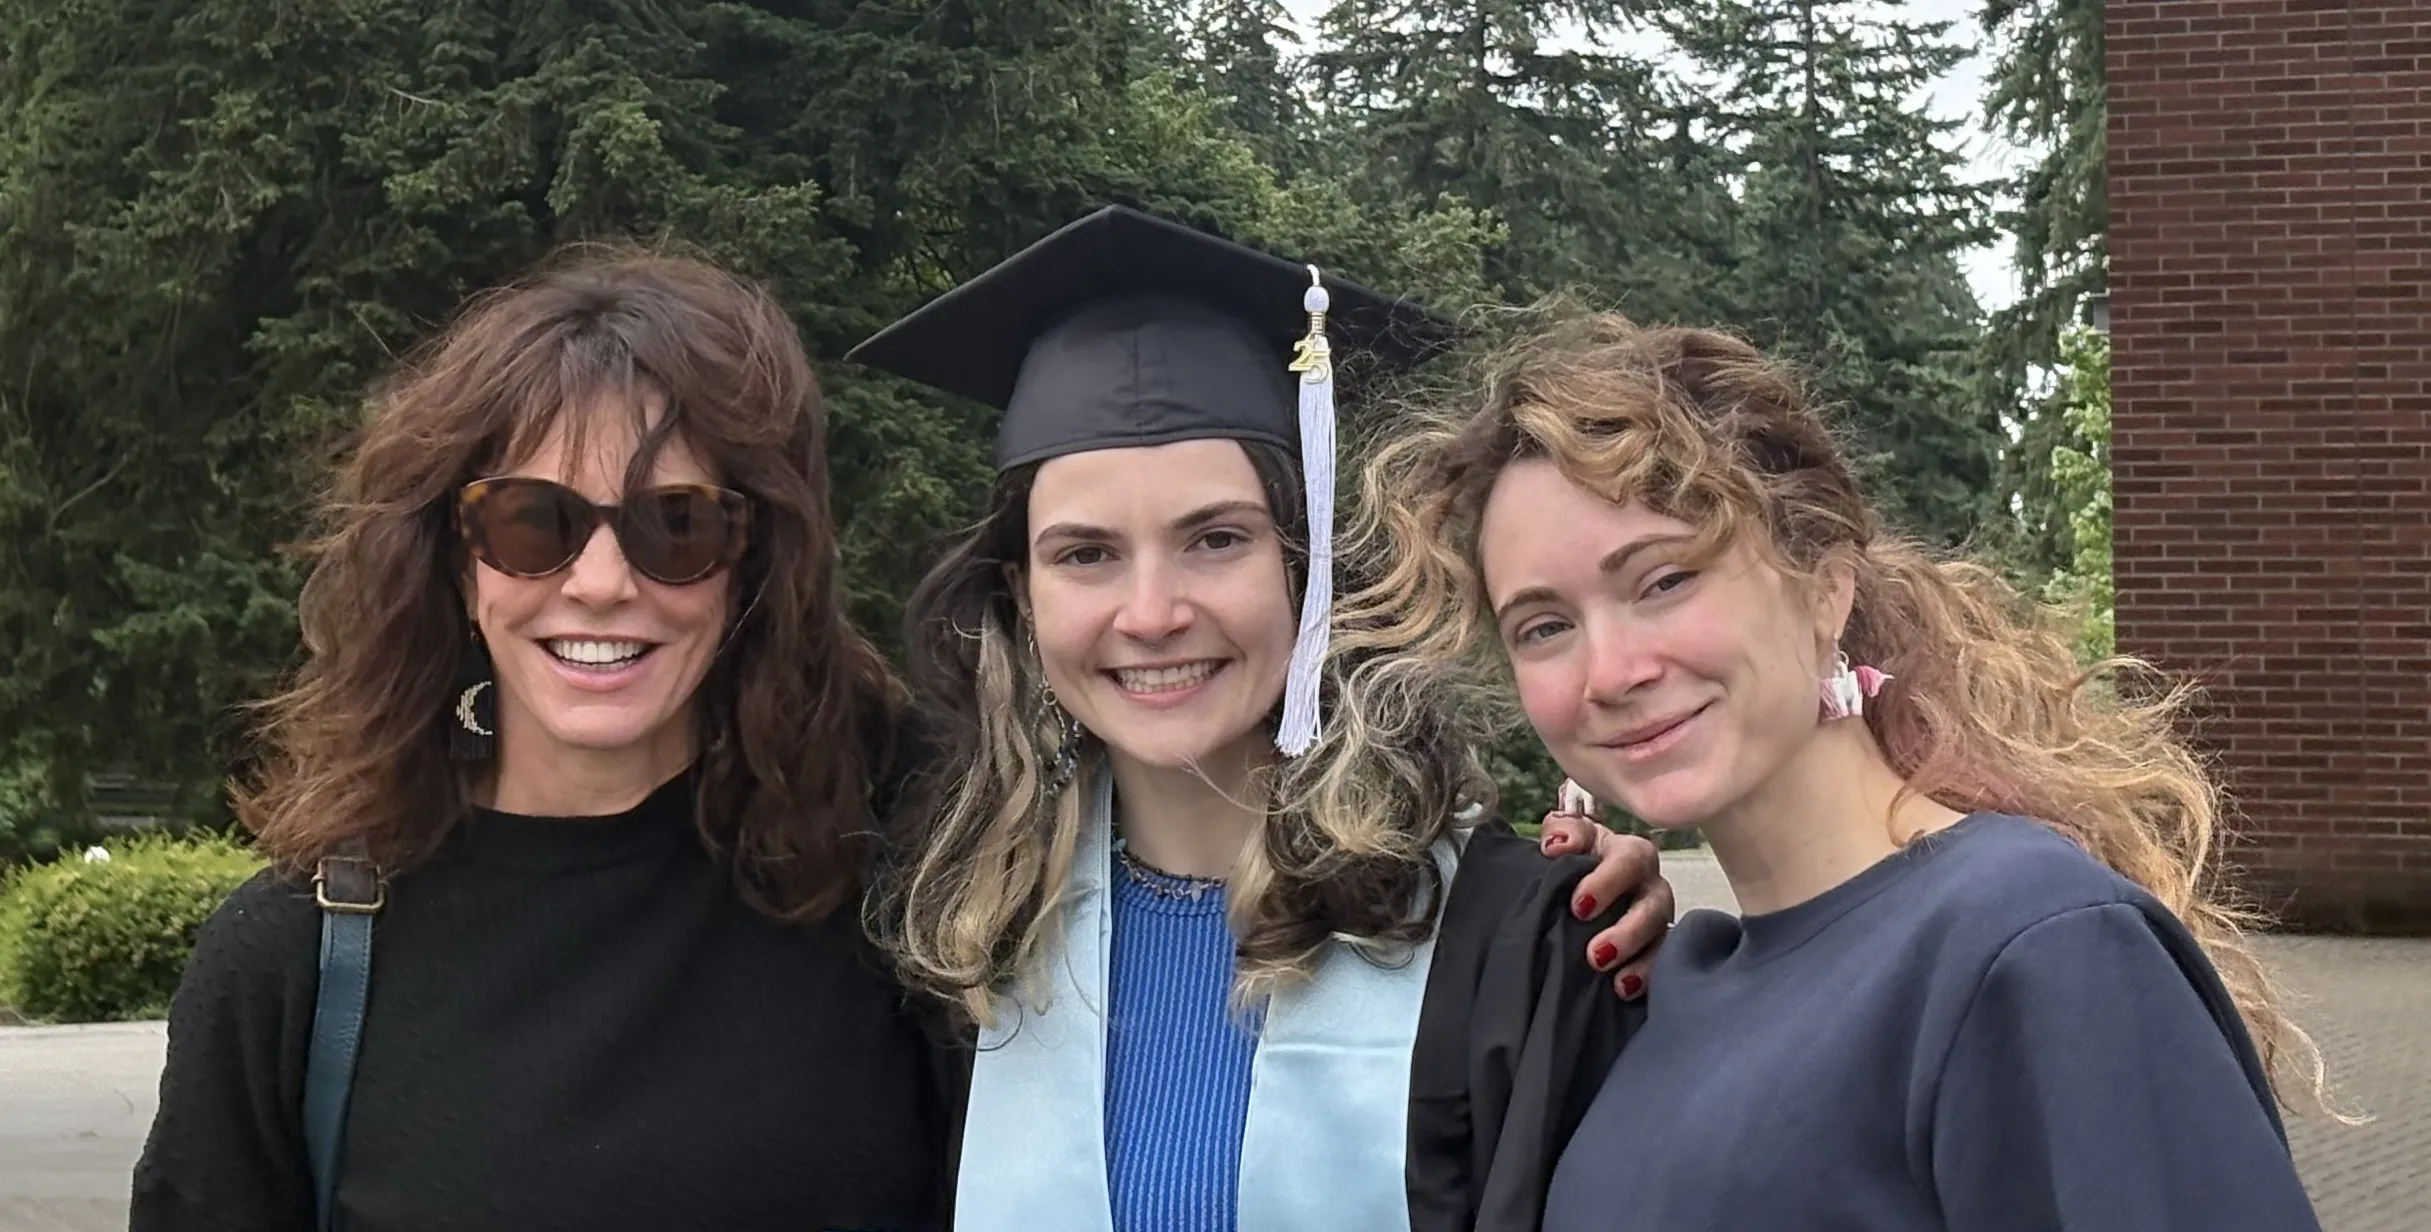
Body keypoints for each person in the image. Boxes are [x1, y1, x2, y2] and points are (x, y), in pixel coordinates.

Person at [1349, 312, 2329, 1229]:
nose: (1609, 672)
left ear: (1824, 587)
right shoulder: (1674, 982)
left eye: (1663, 579)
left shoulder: (2029, 942)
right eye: (1545, 626)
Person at [846, 206, 1675, 1232]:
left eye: (1215, 539)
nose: (1151, 613)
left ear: (1307, 566)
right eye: (1085, 552)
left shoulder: (1511, 944)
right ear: (1021, 596)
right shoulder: (960, 949)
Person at [132, 248, 953, 1231]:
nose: (601, 580)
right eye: (533, 521)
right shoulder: (296, 958)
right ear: (455, 561)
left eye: (675, 523)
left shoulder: (905, 895)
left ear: (753, 562)